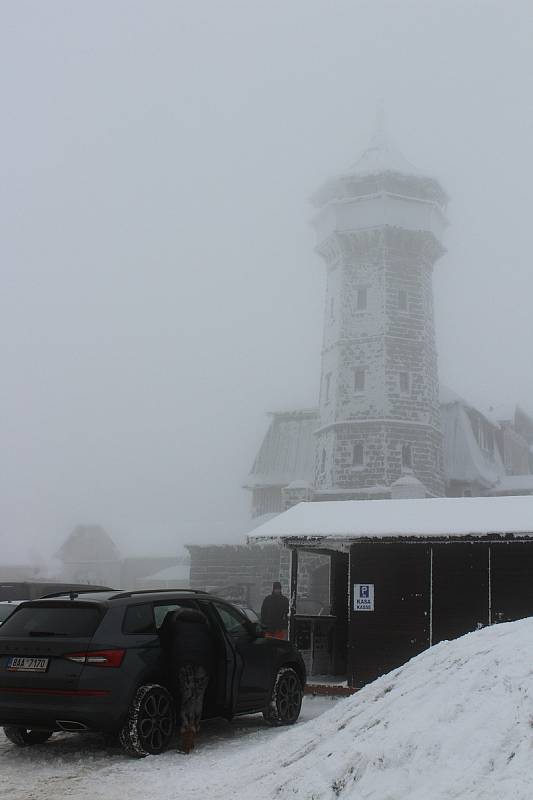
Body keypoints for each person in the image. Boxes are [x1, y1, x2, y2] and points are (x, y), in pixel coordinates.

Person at [159, 606, 213, 754]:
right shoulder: (204, 625)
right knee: (198, 697)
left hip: (183, 663)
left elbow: (164, 641)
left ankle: (186, 734)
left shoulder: (176, 624)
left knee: (187, 696)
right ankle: (194, 729)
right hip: (203, 664)